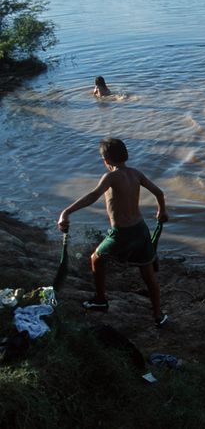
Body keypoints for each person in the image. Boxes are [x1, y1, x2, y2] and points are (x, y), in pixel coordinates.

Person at [57, 138, 168, 326]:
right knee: (148, 275)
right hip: (141, 230)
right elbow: (159, 192)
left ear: (106, 160)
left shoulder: (110, 177)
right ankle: (159, 316)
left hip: (122, 233)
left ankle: (100, 300)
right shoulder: (136, 174)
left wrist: (66, 212)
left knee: (96, 259)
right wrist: (161, 211)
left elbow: (93, 196)